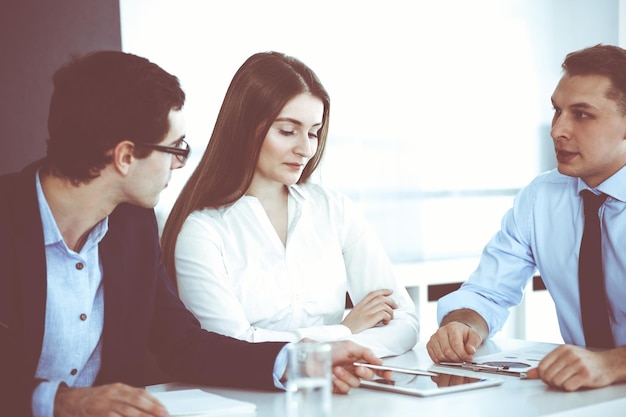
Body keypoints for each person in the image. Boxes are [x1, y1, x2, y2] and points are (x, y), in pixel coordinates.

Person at [0, 50, 387, 417]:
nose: (178, 164)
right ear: (125, 156)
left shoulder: (133, 226)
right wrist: (62, 402)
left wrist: (300, 359)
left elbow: (183, 345)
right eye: (174, 148)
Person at [160, 51, 419, 358]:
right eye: (287, 131)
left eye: (314, 132)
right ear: (245, 127)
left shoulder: (334, 210)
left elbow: (404, 323)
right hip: (247, 402)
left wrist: (334, 351)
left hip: (337, 394)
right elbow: (232, 347)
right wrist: (344, 332)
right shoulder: (203, 230)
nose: (306, 148)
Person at [426, 44, 626, 392]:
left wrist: (613, 363)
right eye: (556, 111)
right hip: (584, 399)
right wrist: (462, 326)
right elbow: (487, 293)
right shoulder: (541, 197)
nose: (557, 130)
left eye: (581, 114)